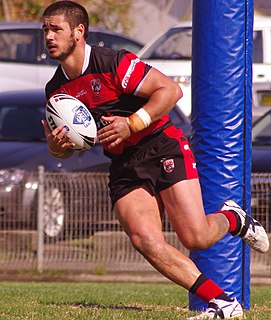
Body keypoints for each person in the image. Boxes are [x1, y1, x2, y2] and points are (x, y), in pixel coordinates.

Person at [41, 1, 269, 319]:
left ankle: (234, 219)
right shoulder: (57, 89)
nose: (48, 36)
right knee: (144, 240)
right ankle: (224, 304)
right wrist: (57, 147)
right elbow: (71, 147)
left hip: (160, 146)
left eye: (55, 29)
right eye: (45, 29)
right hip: (124, 162)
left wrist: (131, 123)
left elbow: (170, 90)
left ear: (78, 32)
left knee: (196, 237)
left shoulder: (113, 63)